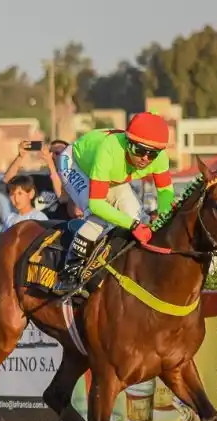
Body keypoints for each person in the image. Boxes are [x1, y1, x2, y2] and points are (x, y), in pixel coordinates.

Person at [51, 112, 175, 295]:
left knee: (136, 214)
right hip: (74, 164)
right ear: (128, 142)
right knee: (99, 217)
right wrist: (133, 225)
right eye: (140, 151)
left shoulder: (161, 158)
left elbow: (165, 195)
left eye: (152, 154)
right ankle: (68, 274)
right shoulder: (109, 149)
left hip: (110, 175)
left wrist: (162, 220)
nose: (145, 159)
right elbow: (96, 204)